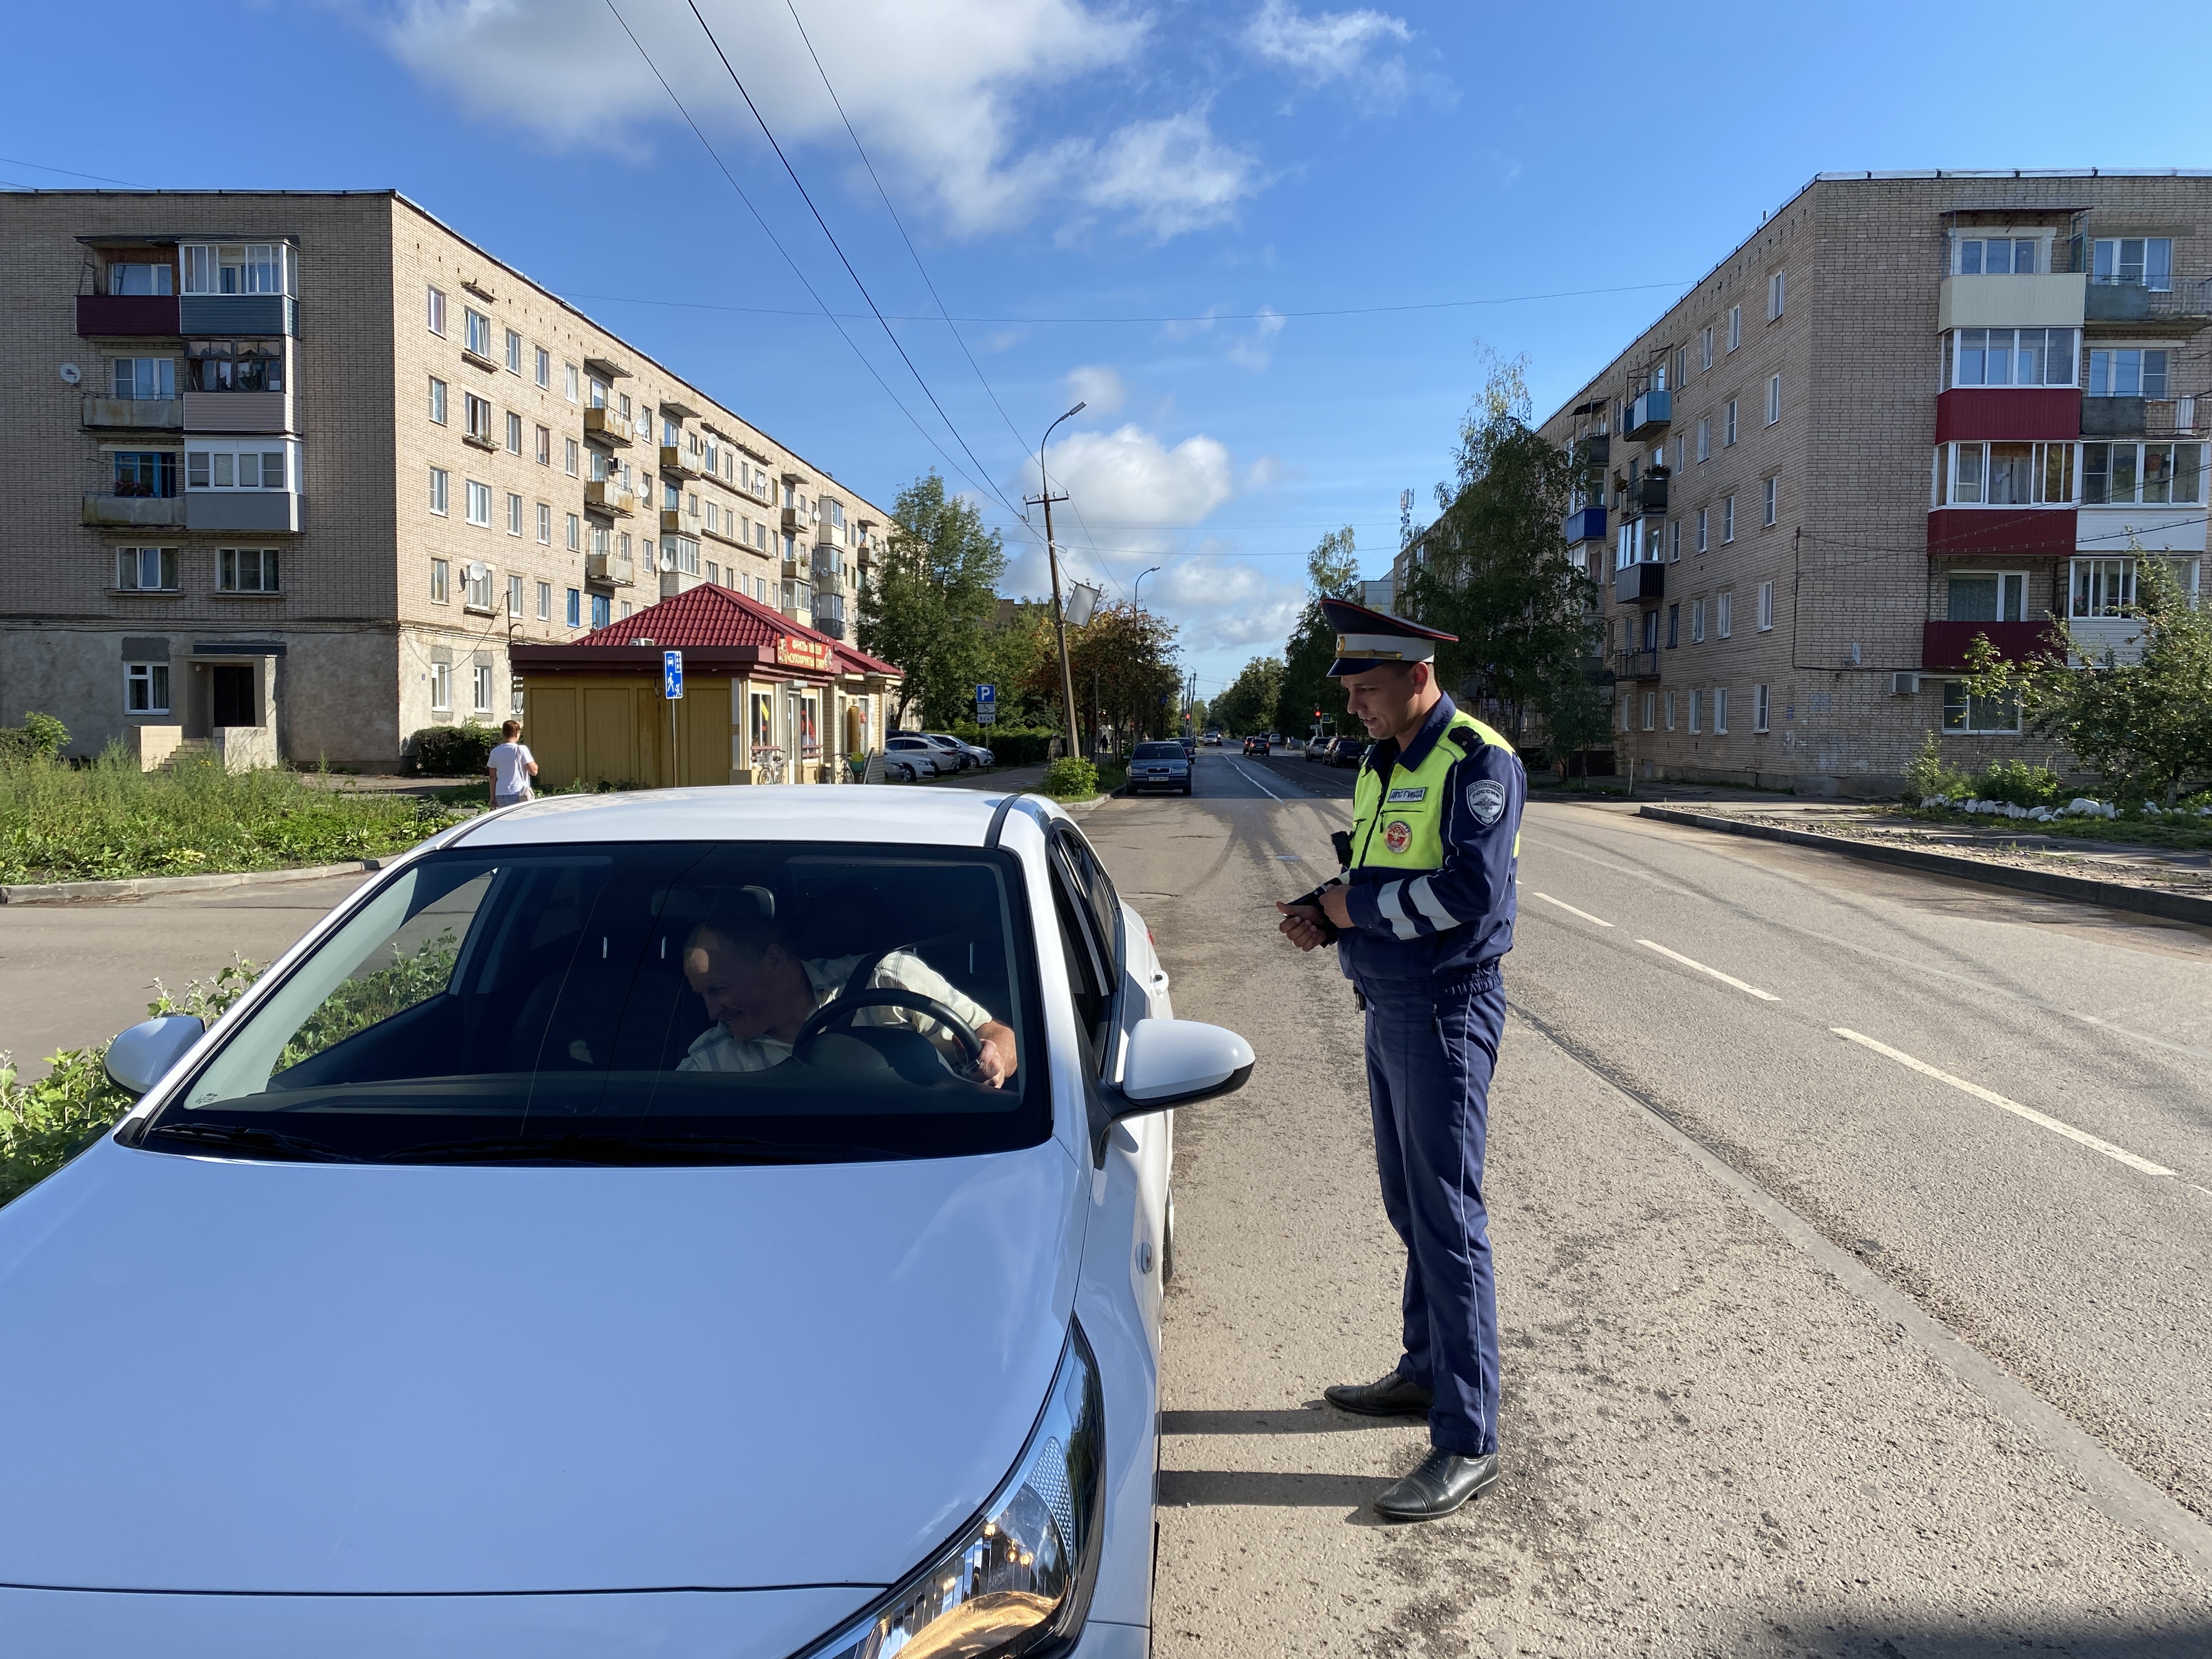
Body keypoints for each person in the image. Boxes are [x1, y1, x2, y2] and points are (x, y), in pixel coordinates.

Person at [1274, 597, 1525, 1523]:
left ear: (1418, 676)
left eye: (1368, 689)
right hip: (1386, 1003)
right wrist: (1323, 902)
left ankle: (1467, 1437)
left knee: (1448, 1215)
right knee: (1407, 1199)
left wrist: (1354, 912)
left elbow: (1468, 890)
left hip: (1444, 1008)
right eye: (1349, 691)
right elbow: (1381, 871)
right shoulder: (1385, 759)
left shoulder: (1477, 759)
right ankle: (1425, 1371)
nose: (1355, 708)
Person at [678, 911, 1017, 1086]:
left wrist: (993, 1059)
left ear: (774, 961)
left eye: (719, 990)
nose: (711, 1012)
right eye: (702, 995)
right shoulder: (711, 1063)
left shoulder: (889, 981)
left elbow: (997, 1035)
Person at [486, 720, 538, 808]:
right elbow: (534, 771)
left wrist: (493, 797)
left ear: (503, 733)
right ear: (517, 734)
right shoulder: (521, 749)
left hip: (500, 794)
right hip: (518, 792)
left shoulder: (495, 752)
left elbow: (493, 777)